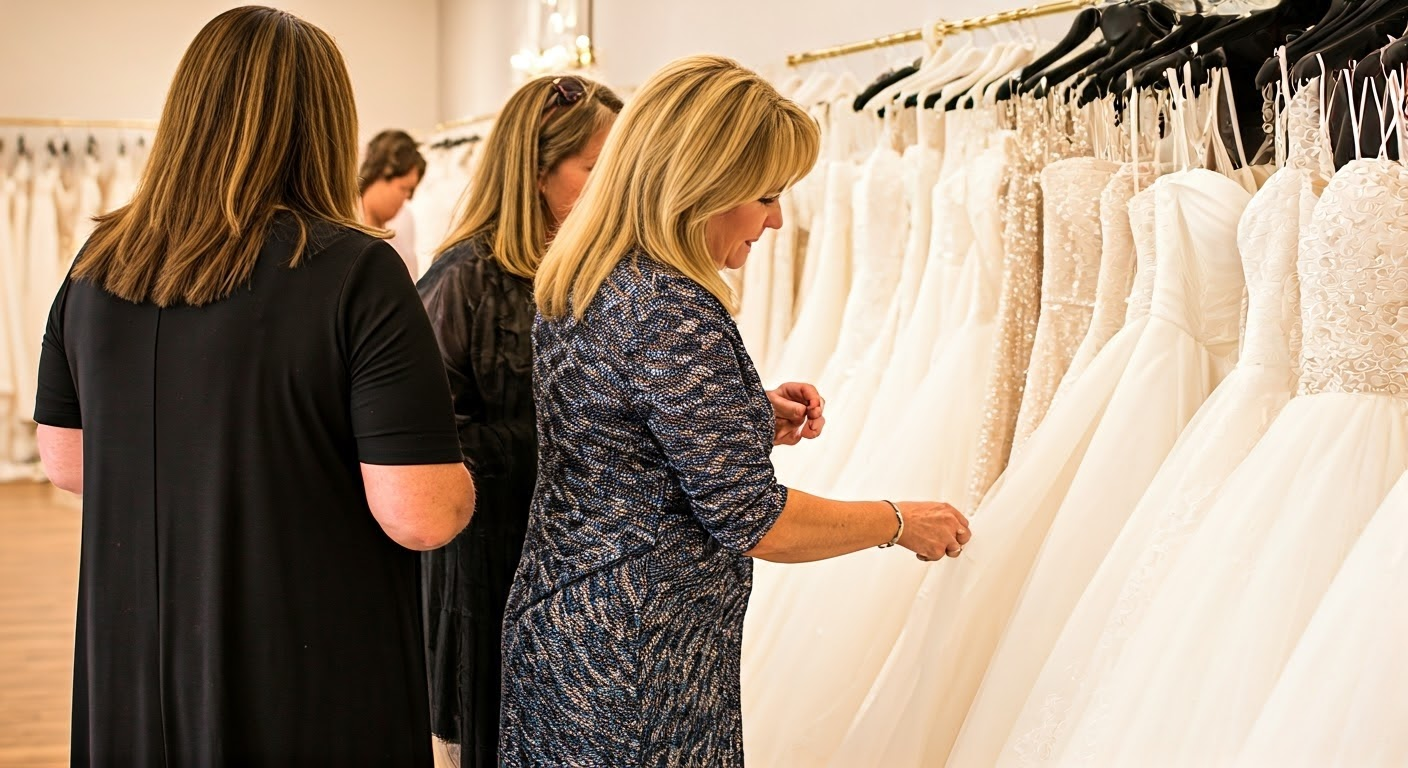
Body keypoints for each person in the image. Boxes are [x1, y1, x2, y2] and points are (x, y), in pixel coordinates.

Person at [499, 54, 971, 766]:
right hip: (638, 653)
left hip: (566, 618)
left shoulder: (592, 274)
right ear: (704, 185)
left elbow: (618, 431)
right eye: (766, 195)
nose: (778, 220)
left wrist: (743, 414)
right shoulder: (669, 307)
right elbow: (755, 519)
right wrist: (901, 522)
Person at [31, 7, 474, 765]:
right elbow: (422, 515)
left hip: (134, 653)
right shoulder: (357, 271)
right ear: (326, 124)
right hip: (302, 665)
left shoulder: (98, 264)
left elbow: (66, 461)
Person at [417, 74, 621, 767]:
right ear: (537, 169)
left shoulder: (599, 268)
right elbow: (427, 442)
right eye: (597, 167)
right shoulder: (461, 280)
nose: (614, 184)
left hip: (588, 559)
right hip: (493, 562)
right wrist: (560, 434)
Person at [359, 128, 426, 275]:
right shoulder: (344, 223)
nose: (407, 198)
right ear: (380, 174)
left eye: (411, 191)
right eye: (403, 189)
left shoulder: (404, 220)